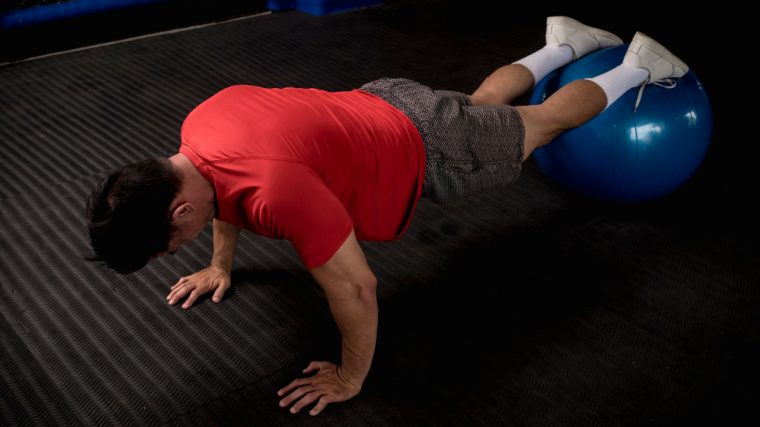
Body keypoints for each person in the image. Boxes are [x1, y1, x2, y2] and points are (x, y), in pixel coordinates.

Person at [86, 16, 688, 416]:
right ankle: (566, 42)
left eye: (172, 244)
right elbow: (223, 194)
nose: (178, 249)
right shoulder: (198, 128)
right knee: (480, 106)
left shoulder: (276, 191)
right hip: (383, 99)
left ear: (179, 206)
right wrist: (220, 264)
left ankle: (639, 64)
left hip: (428, 148)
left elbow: (358, 286)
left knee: (541, 125)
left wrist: (350, 377)